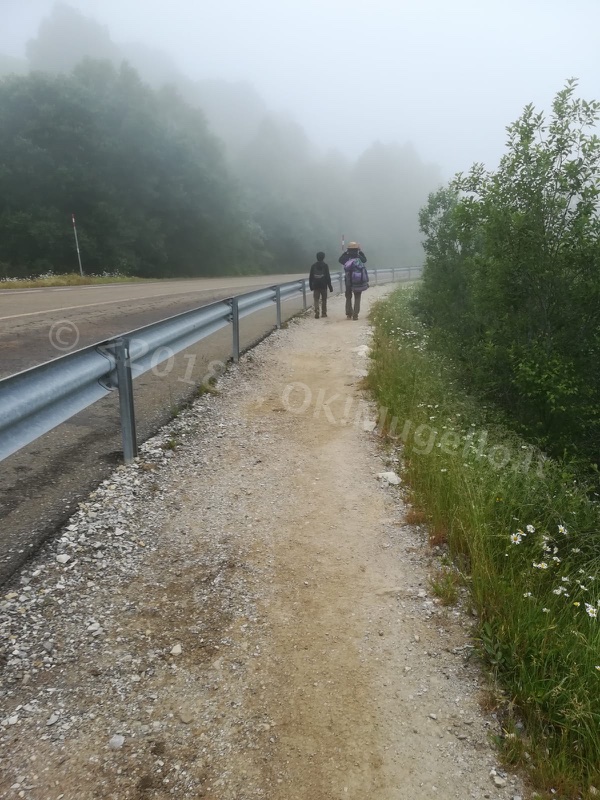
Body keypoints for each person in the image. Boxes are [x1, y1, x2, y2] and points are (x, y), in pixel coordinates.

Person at [338, 242, 368, 319]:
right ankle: (356, 314)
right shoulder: (359, 257)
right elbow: (365, 260)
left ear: (348, 249)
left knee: (348, 296)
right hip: (358, 280)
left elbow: (340, 260)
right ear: (357, 249)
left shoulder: (347, 258)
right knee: (357, 297)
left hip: (348, 280)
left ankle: (349, 313)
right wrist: (360, 251)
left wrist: (346, 252)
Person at [308, 251, 333, 319]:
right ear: (323, 257)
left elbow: (311, 277)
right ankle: (324, 313)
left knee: (316, 299)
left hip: (316, 285)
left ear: (316, 257)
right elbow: (328, 277)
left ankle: (317, 311)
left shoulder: (313, 266)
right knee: (324, 299)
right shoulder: (325, 265)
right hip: (323, 285)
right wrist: (330, 286)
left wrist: (311, 285)